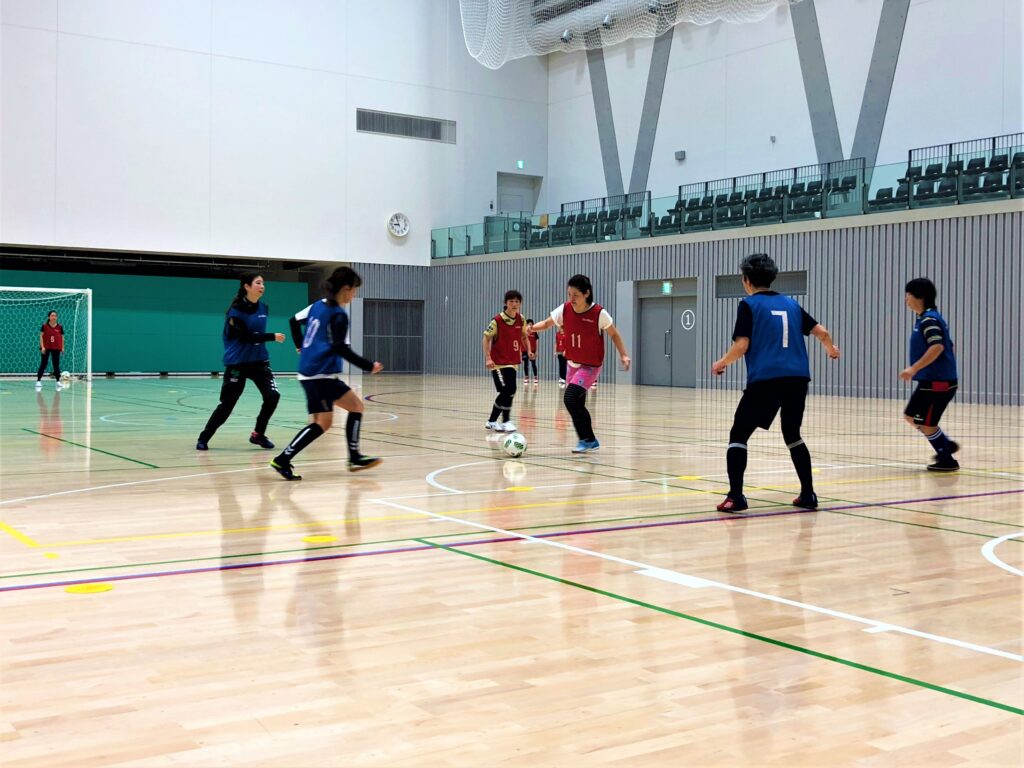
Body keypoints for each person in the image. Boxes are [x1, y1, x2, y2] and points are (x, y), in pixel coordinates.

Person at [711, 253, 840, 512]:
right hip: (798, 378)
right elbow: (822, 332)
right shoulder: (791, 304)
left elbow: (742, 345)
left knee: (739, 435)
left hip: (767, 379)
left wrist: (722, 362)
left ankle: (736, 496)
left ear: (746, 280)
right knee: (792, 434)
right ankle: (808, 494)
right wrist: (831, 348)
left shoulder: (748, 305)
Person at [270, 267, 383, 481]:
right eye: (354, 290)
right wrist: (369, 366)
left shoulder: (318, 305)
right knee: (322, 423)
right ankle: (283, 459)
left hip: (316, 372)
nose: (354, 295)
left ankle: (354, 456)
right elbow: (341, 348)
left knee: (355, 407)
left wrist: (301, 346)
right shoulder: (338, 314)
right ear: (346, 288)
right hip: (318, 374)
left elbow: (294, 321)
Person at [528, 274, 631, 453]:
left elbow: (614, 334)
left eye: (575, 295)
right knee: (577, 403)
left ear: (586, 294)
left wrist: (623, 354)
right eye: (569, 294)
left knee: (569, 398)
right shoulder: (565, 309)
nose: (571, 298)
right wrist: (532, 328)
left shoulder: (599, 313)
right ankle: (588, 440)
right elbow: (546, 323)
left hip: (590, 366)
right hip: (572, 364)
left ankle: (587, 439)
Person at [196, 274, 285, 451]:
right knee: (227, 404)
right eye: (258, 283)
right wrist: (272, 336)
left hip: (259, 361)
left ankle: (258, 435)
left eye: (263, 283)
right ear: (247, 286)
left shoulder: (264, 308)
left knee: (272, 396)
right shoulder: (235, 311)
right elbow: (246, 337)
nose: (262, 286)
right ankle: (204, 437)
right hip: (237, 363)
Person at [900, 278, 960, 472]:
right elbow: (950, 345)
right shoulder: (926, 318)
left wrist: (913, 368)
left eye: (908, 295)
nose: (906, 299)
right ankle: (945, 444)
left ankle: (947, 460)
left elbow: (938, 346)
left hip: (937, 383)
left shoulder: (929, 320)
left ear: (920, 297)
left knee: (926, 423)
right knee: (910, 416)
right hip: (931, 380)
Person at [482, 290, 533, 432]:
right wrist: (488, 358)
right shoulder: (497, 320)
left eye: (517, 301)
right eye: (511, 301)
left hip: (512, 362)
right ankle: (505, 421)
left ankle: (492, 421)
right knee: (507, 390)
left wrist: (529, 350)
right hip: (498, 362)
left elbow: (524, 336)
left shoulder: (521, 319)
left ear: (520, 303)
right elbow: (486, 338)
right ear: (506, 303)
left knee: (509, 390)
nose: (514, 304)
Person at [36, 310, 64, 389]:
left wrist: (62, 347)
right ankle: (38, 380)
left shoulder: (60, 327)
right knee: (43, 363)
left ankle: (58, 381)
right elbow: (41, 336)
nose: (54, 317)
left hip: (56, 348)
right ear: (49, 317)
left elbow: (62, 338)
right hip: (46, 347)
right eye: (52, 315)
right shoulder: (44, 326)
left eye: (55, 315)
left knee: (56, 364)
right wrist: (42, 347)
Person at [522, 319, 540, 385]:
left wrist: (536, 351)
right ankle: (526, 377)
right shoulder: (524, 332)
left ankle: (535, 377)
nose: (530, 325)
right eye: (528, 324)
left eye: (531, 324)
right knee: (525, 364)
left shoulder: (534, 332)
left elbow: (537, 341)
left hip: (532, 350)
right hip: (525, 350)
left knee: (533, 364)